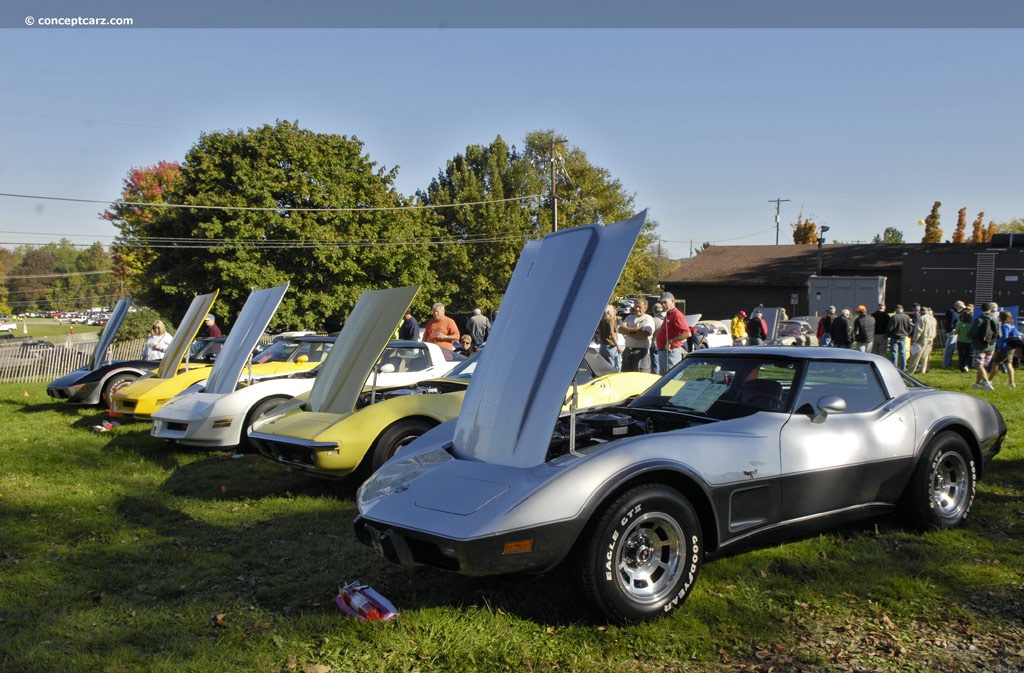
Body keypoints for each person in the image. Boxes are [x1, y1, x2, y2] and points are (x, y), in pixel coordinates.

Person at [654, 292, 691, 373]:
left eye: (665, 302)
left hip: (671, 352)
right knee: (663, 379)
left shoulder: (677, 315)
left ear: (672, 301)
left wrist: (670, 341)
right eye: (661, 303)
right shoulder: (668, 314)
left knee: (671, 378)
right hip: (663, 352)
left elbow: (687, 333)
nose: (663, 305)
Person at [618, 297, 655, 372]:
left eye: (639, 307)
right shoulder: (629, 317)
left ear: (645, 308)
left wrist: (628, 332)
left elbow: (643, 336)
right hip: (627, 351)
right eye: (635, 307)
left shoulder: (648, 319)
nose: (637, 309)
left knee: (640, 376)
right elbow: (621, 330)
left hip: (640, 352)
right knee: (625, 375)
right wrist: (637, 330)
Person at [970, 302, 1000, 390]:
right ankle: (976, 384)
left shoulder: (979, 319)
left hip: (980, 345)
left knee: (978, 364)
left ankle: (986, 383)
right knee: (983, 365)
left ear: (981, 309)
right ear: (990, 309)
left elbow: (972, 333)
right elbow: (999, 334)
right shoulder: (995, 320)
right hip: (991, 345)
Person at [987, 310, 1020, 388]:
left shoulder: (1004, 326)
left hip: (1004, 348)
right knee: (1008, 364)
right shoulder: (1012, 325)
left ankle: (988, 380)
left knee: (995, 364)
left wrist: (1000, 346)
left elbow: (1004, 337)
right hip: (1011, 348)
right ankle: (1011, 382)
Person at [907, 307, 937, 374]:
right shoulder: (933, 319)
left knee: (916, 355)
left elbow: (919, 331)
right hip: (931, 338)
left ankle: (910, 371)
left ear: (921, 312)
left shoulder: (922, 319)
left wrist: (914, 340)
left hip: (923, 339)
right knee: (925, 356)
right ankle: (922, 370)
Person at [887, 304, 913, 370]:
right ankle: (903, 368)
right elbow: (910, 327)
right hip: (903, 337)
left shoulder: (894, 317)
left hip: (894, 336)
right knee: (903, 353)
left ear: (896, 310)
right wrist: (907, 333)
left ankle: (894, 367)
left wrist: (889, 334)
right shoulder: (907, 317)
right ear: (902, 309)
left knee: (894, 352)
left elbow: (890, 328)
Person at [596, 304, 621, 370]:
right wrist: (618, 346)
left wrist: (601, 343)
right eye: (613, 310)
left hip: (603, 346)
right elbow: (612, 333)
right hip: (611, 346)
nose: (615, 312)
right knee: (615, 366)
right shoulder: (611, 320)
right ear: (609, 312)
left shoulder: (601, 321)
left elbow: (600, 333)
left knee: (605, 366)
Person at [942, 301, 966, 369]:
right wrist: (952, 329)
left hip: (953, 331)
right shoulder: (952, 312)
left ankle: (948, 363)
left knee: (951, 347)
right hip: (952, 331)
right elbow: (950, 323)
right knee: (950, 347)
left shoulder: (953, 312)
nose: (961, 309)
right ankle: (946, 364)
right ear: (957, 306)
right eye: (961, 308)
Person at [956, 305, 975, 373]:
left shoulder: (960, 324)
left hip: (960, 341)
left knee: (961, 355)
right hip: (969, 342)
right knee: (968, 355)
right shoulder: (971, 325)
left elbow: (956, 332)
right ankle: (966, 365)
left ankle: (961, 368)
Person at [650, 302, 665, 374]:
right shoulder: (664, 320)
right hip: (663, 345)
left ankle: (655, 377)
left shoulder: (653, 320)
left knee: (655, 364)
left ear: (654, 310)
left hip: (654, 344)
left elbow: (650, 333)